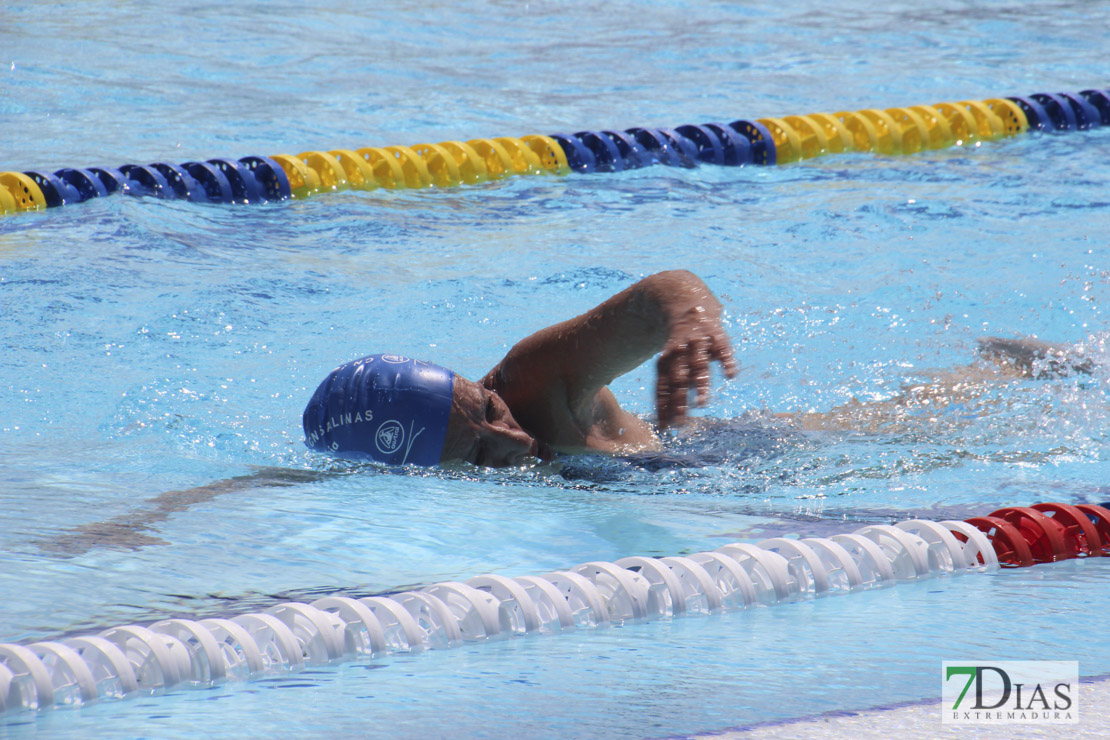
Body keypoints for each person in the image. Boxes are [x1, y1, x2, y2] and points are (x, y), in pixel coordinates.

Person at [303, 270, 738, 468]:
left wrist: (688, 320)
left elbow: (662, 290)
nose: (515, 438)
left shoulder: (533, 383)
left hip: (738, 450)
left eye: (490, 409)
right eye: (475, 453)